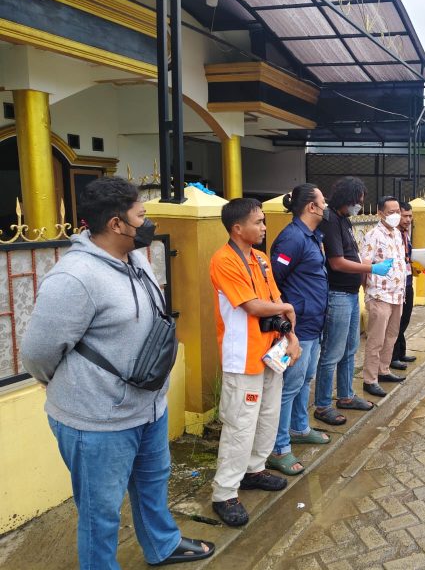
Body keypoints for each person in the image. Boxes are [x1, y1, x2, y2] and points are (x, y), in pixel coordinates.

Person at [20, 177, 214, 568]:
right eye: (141, 216)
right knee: (100, 514)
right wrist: (70, 386)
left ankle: (162, 545)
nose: (148, 223)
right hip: (96, 422)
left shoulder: (135, 259)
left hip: (147, 408)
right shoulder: (74, 278)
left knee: (151, 488)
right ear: (115, 224)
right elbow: (39, 353)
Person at [209, 198, 301, 527]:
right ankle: (224, 493)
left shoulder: (261, 259)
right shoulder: (224, 260)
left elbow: (273, 299)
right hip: (242, 356)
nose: (264, 227)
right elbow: (252, 306)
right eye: (258, 222)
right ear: (238, 228)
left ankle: (254, 470)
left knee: (267, 415)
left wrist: (291, 336)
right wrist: (286, 310)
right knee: (240, 424)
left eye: (263, 221)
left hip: (269, 352)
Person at [314, 177, 393, 425]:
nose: (359, 206)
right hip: (337, 294)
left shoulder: (345, 221)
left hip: (349, 295)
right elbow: (336, 262)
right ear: (346, 199)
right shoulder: (330, 221)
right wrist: (371, 267)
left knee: (350, 350)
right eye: (357, 202)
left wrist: (364, 276)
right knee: (332, 353)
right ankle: (323, 405)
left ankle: (346, 395)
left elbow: (350, 255)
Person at [267, 184, 331, 476]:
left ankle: (299, 427)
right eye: (322, 201)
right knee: (288, 387)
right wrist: (288, 321)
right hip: (298, 327)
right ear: (311, 207)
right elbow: (274, 283)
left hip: (313, 323)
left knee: (305, 379)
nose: (325, 205)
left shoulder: (312, 236)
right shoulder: (291, 238)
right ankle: (279, 448)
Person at [360, 196, 409, 397]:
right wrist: (368, 291)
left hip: (397, 295)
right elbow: (365, 265)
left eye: (398, 211)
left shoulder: (397, 234)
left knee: (391, 336)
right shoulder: (373, 235)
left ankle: (384, 370)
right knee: (376, 340)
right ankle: (369, 379)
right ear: (380, 213)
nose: (396, 215)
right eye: (391, 212)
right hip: (379, 296)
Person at [390, 201, 417, 371]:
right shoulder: (393, 235)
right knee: (396, 322)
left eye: (410, 216)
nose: (408, 219)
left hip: (407, 280)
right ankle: (392, 357)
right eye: (405, 216)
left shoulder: (405, 233)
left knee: (405, 318)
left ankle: (400, 352)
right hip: (397, 284)